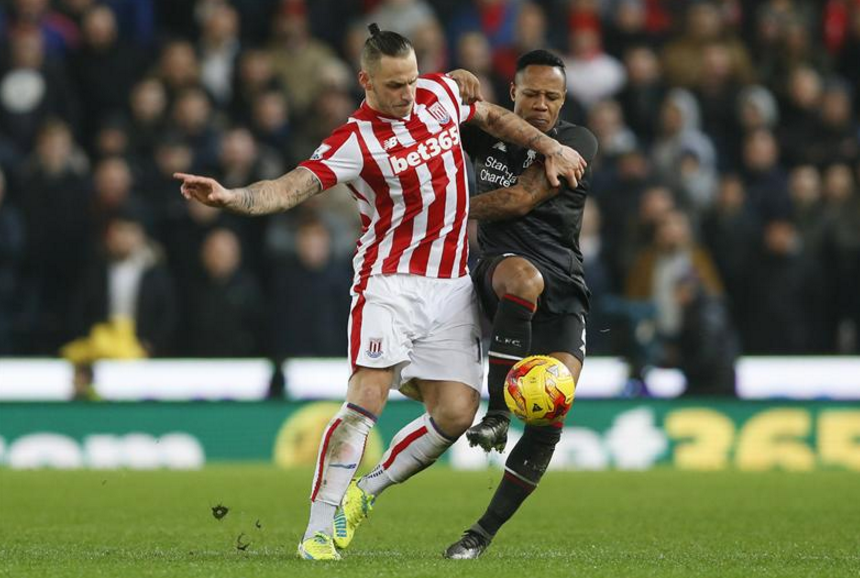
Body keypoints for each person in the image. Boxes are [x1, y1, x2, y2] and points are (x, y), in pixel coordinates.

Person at [174, 25, 586, 561]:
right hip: (389, 283)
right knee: (365, 398)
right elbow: (290, 186)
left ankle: (365, 493)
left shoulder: (437, 94)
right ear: (365, 81)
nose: (408, 94)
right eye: (395, 85)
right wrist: (232, 197)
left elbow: (489, 116)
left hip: (451, 286)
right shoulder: (354, 141)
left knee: (457, 413)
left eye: (412, 80)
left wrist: (549, 145)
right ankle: (317, 530)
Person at [442, 49, 598, 559]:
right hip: (501, 270)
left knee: (552, 413)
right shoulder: (487, 133)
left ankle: (479, 535)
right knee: (523, 279)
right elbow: (433, 113)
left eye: (552, 96)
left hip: (565, 285)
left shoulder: (577, 143)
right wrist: (452, 82)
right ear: (513, 92)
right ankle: (496, 414)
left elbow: (519, 199)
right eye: (531, 93)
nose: (541, 105)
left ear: (564, 100)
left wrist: (443, 214)